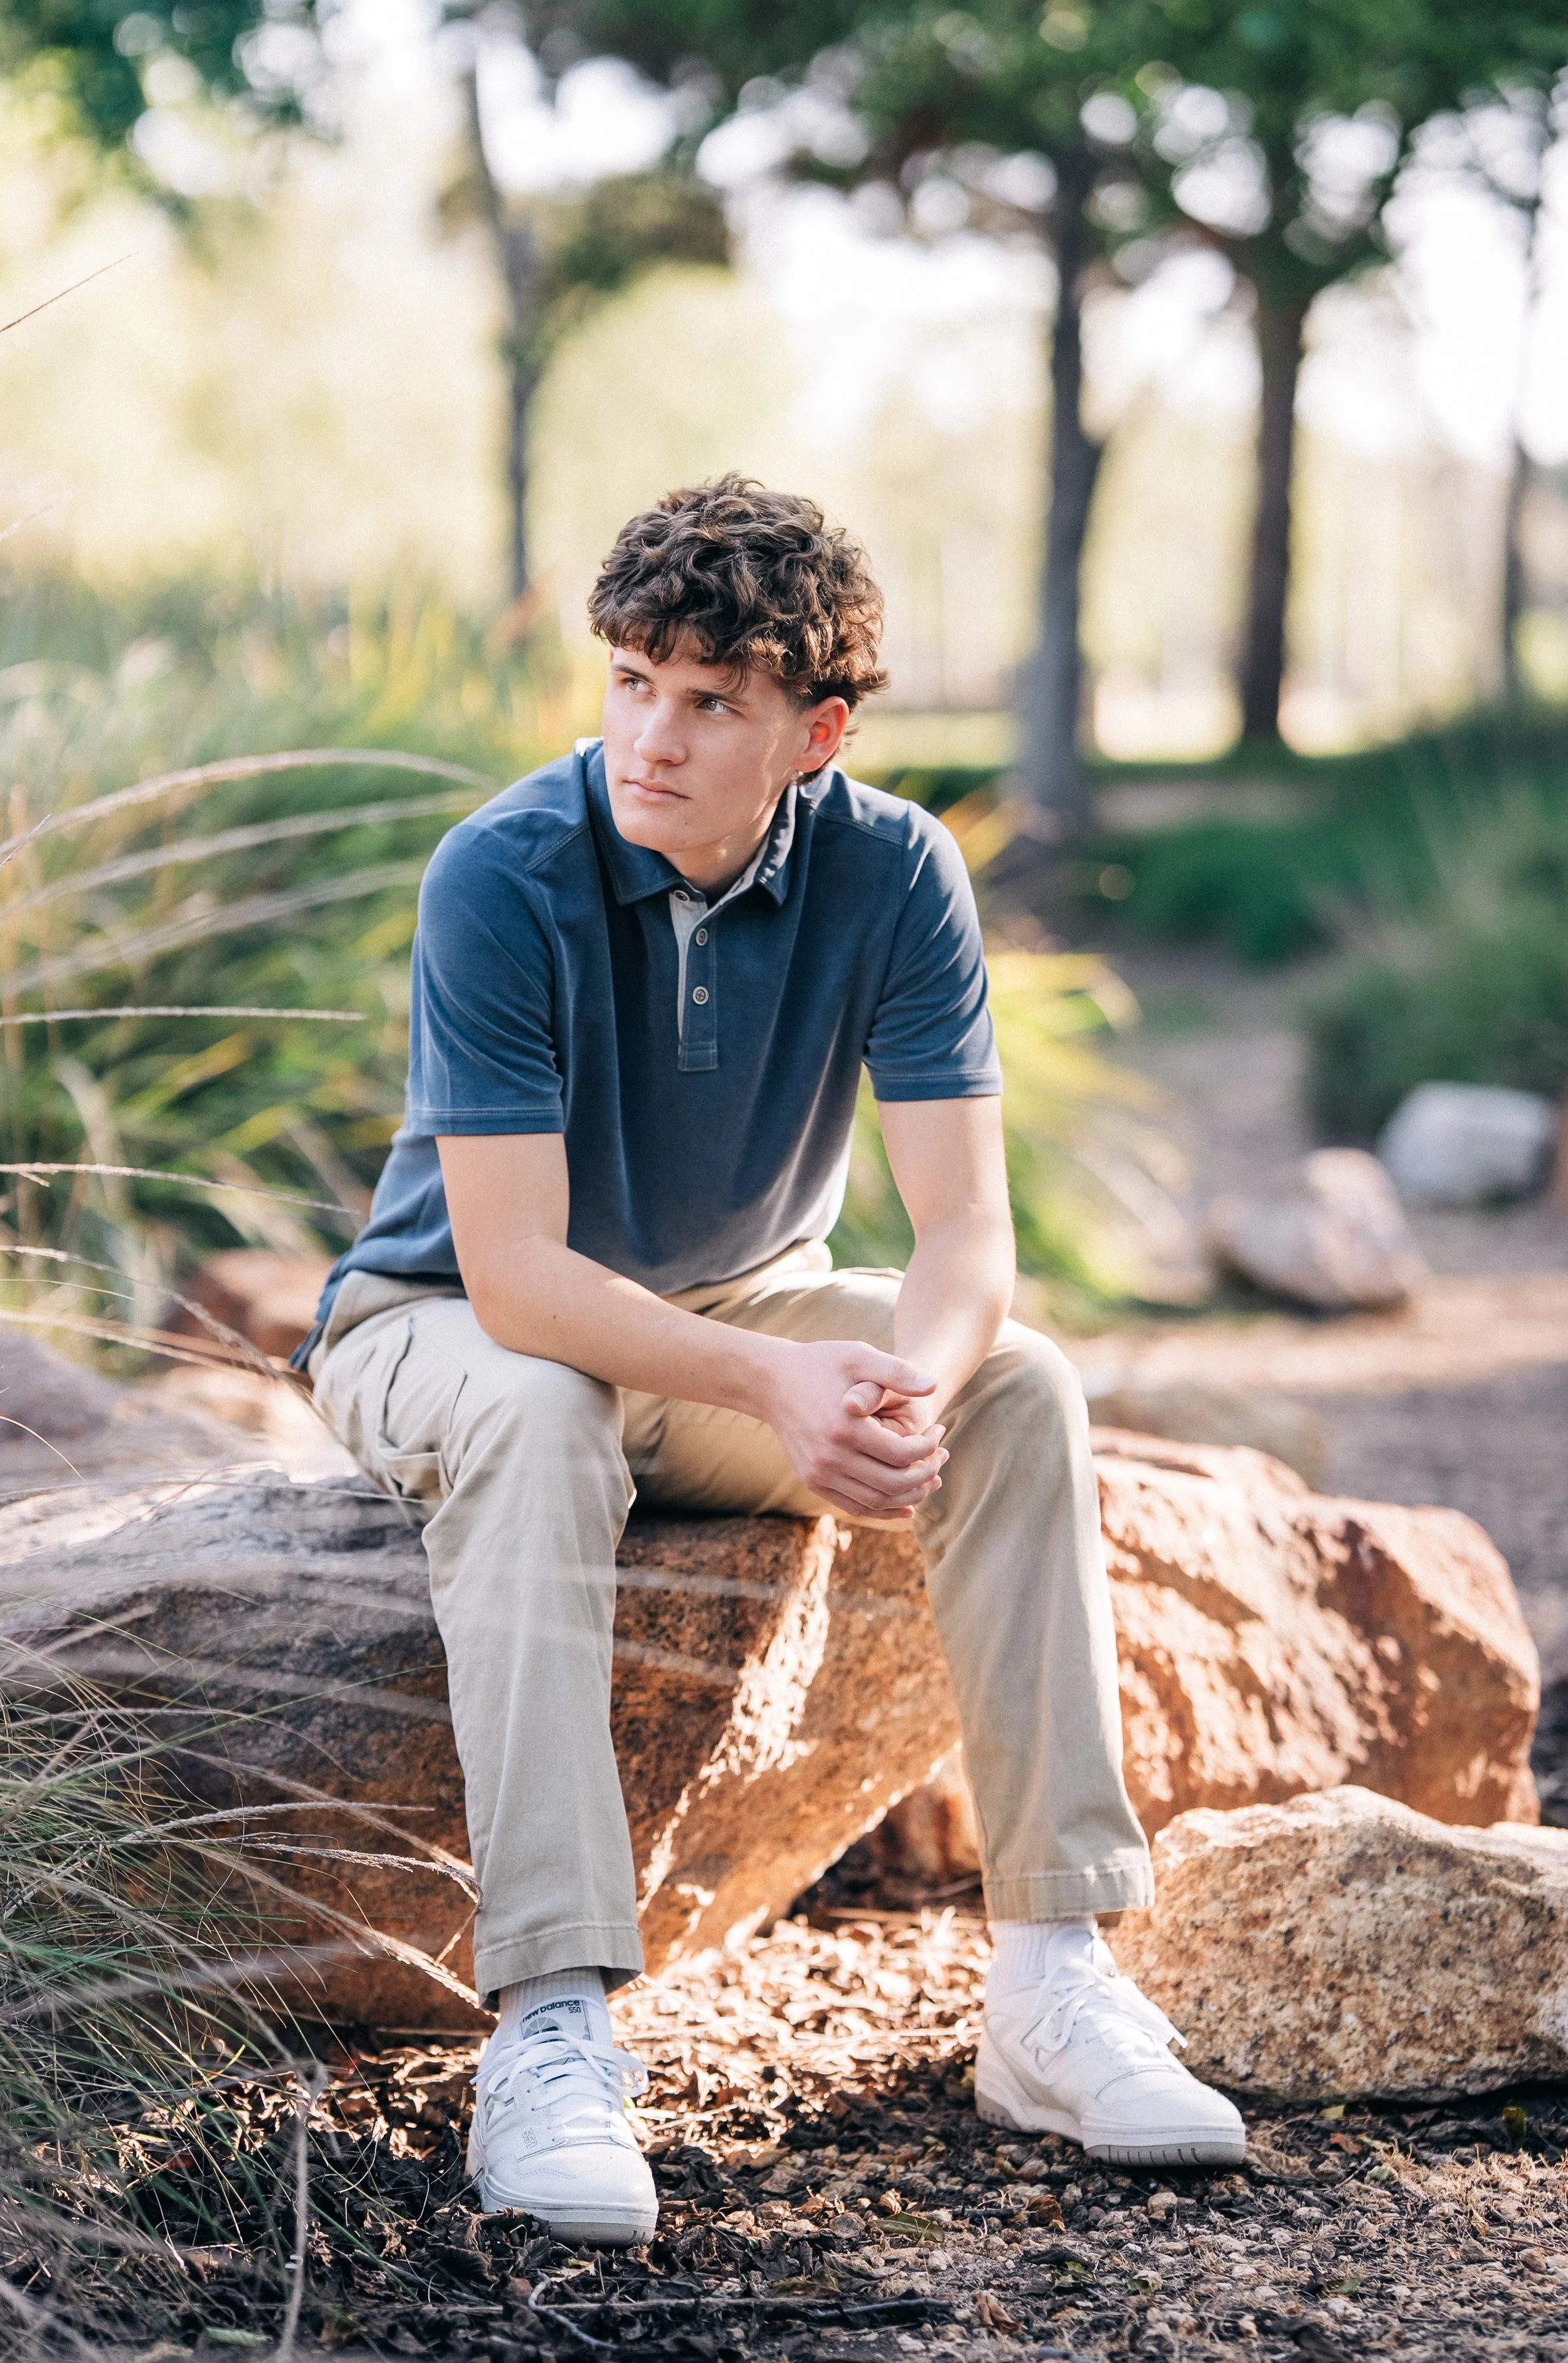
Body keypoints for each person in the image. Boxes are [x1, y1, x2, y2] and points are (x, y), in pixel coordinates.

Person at [300, 475, 1245, 2246]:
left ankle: (1049, 1982)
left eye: (709, 700)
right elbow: (511, 1277)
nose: (649, 735)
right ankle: (555, 2021)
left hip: (725, 1313)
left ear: (813, 732)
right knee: (534, 1409)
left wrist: (897, 1384)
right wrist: (777, 1394)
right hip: (446, 1322)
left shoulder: (893, 874)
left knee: (1019, 1381)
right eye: (631, 679)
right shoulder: (501, 873)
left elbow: (961, 1231)